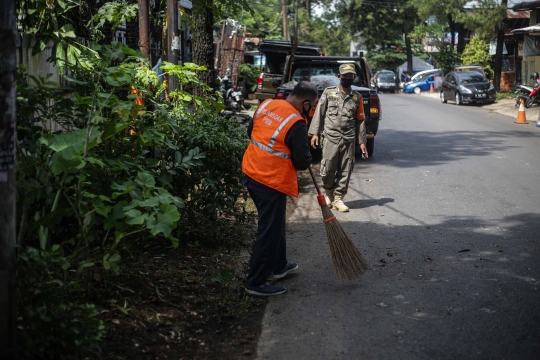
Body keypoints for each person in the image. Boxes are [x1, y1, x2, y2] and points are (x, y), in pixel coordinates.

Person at [242, 81, 318, 296]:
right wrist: (307, 154)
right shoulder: (296, 122)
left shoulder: (266, 105)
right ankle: (255, 282)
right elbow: (302, 162)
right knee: (269, 231)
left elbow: (251, 132)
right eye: (311, 106)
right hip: (270, 181)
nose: (311, 111)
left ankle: (279, 266)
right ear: (305, 103)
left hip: (252, 172)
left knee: (274, 224)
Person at [308, 63, 368, 213]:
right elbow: (319, 113)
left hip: (348, 139)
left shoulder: (357, 97)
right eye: (345, 76)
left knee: (345, 170)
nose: (348, 78)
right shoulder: (328, 93)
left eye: (351, 76)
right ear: (339, 77)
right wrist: (314, 133)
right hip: (330, 137)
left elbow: (360, 120)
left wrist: (362, 142)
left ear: (354, 77)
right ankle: (328, 193)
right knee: (328, 168)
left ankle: (338, 198)